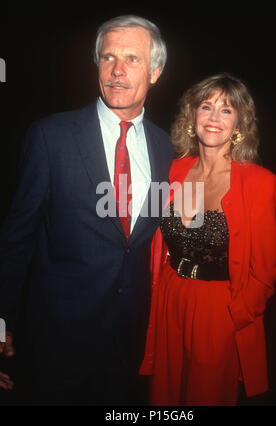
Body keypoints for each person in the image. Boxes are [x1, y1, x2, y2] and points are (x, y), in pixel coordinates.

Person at [0, 15, 173, 405]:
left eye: (133, 59)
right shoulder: (50, 137)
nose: (117, 70)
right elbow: (17, 238)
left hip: (133, 347)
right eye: (108, 57)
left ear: (156, 71)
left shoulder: (167, 149)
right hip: (57, 344)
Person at [140, 73, 276, 406]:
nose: (214, 117)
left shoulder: (260, 183)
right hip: (169, 301)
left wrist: (234, 317)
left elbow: (266, 272)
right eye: (206, 106)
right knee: (165, 398)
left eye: (227, 110)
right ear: (193, 117)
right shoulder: (171, 170)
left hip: (220, 310)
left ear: (240, 123)